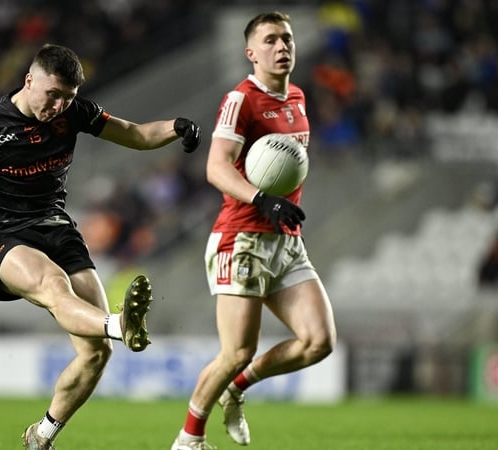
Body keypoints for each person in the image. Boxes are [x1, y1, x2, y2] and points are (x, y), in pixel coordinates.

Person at [0, 43, 201, 450]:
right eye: (52, 94)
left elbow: (136, 134)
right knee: (55, 287)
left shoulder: (74, 113)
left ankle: (43, 435)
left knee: (96, 354)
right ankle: (121, 325)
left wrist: (176, 127)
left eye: (67, 97)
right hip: (6, 235)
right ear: (29, 79)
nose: (58, 105)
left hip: (57, 228)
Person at [171, 12, 336, 449]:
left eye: (287, 39)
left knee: (319, 342)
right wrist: (262, 199)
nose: (282, 47)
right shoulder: (240, 99)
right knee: (236, 351)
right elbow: (215, 167)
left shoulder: (298, 96)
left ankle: (236, 387)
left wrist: (278, 203)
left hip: (285, 242)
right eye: (270, 41)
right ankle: (188, 440)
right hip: (241, 239)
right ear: (251, 53)